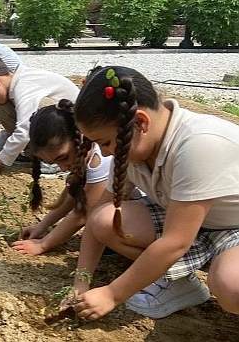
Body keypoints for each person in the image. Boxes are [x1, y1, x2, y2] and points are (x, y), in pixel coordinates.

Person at [71, 66, 239, 321]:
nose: (105, 153)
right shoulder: (136, 147)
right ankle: (179, 284)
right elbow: (96, 217)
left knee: (231, 285)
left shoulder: (199, 145)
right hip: (196, 221)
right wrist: (80, 284)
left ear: (140, 122)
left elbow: (175, 242)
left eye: (105, 142)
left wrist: (113, 294)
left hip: (232, 227)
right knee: (105, 220)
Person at [10, 99, 112, 256]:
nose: (63, 168)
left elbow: (82, 214)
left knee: (99, 226)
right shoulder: (84, 158)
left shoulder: (99, 161)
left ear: (80, 136)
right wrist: (42, 226)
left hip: (147, 219)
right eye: (54, 163)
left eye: (63, 158)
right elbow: (71, 200)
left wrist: (44, 244)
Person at [0, 54, 79, 173]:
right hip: (64, 126)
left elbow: (24, 130)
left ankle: (57, 158)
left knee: (41, 108)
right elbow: (16, 128)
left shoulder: (24, 86)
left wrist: (0, 160)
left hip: (74, 130)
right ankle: (37, 155)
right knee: (2, 109)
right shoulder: (15, 86)